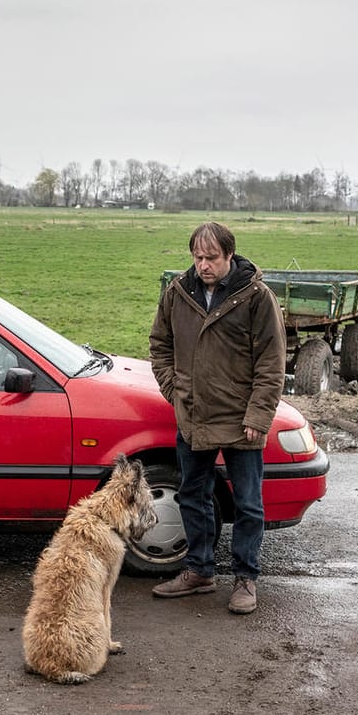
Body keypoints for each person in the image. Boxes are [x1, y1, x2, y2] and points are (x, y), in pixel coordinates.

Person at [148, 222, 286, 614]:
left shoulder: (257, 297)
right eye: (197, 257)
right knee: (193, 493)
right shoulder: (178, 293)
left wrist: (259, 416)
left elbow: (272, 364)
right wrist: (176, 393)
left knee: (247, 502)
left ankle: (246, 578)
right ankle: (199, 570)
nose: (203, 265)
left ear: (229, 255)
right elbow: (160, 345)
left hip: (243, 417)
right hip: (194, 413)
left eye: (211, 258)